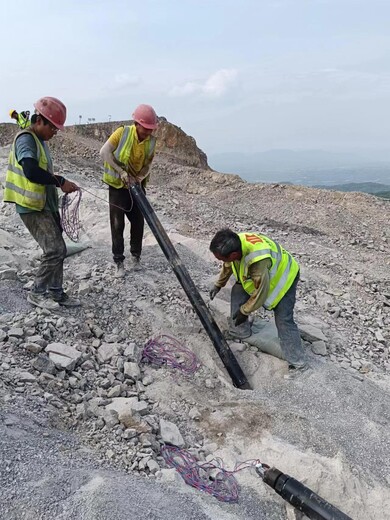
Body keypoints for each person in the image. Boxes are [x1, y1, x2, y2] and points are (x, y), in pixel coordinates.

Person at [3, 96, 81, 309]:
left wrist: (60, 184)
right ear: (40, 121)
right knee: (54, 249)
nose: (54, 133)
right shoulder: (26, 139)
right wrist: (60, 181)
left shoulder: (41, 141)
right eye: (53, 128)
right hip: (31, 206)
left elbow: (42, 171)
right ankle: (37, 292)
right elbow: (30, 171)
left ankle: (56, 292)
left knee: (60, 249)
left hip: (45, 203)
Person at [209, 229, 307, 371]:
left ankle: (298, 362)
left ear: (234, 255)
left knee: (284, 320)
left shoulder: (257, 262)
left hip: (284, 278)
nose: (221, 261)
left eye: (222, 258)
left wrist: (244, 311)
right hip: (263, 275)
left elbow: (261, 294)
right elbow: (228, 265)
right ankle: (239, 331)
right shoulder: (236, 242)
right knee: (238, 289)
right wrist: (218, 284)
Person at [99, 104, 158, 277]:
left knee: (138, 222)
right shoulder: (122, 133)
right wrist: (121, 172)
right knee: (117, 224)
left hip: (136, 186)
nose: (148, 132)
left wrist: (138, 178)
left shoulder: (151, 142)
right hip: (117, 187)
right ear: (136, 123)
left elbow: (148, 165)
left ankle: (136, 256)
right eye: (145, 128)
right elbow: (104, 152)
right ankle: (119, 261)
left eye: (150, 129)